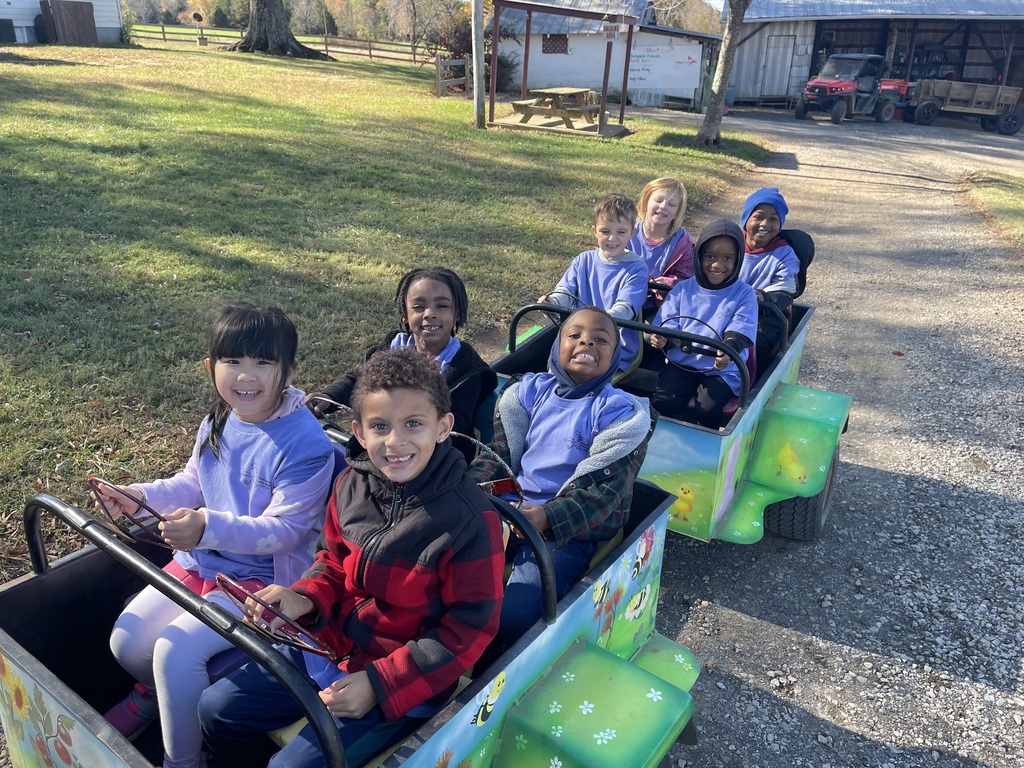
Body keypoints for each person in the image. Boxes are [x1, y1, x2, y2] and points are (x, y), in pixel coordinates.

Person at [198, 347, 505, 768]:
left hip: (402, 679)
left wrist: (381, 684)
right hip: (328, 643)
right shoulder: (349, 484)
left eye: (413, 424)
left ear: (443, 427)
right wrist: (303, 597)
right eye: (380, 426)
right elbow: (331, 559)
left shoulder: (471, 521)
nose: (395, 442)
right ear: (359, 432)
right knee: (216, 708)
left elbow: (469, 630)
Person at [96, 302, 335, 768]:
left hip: (263, 583)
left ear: (288, 371)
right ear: (211, 366)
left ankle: (183, 760)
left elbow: (287, 530)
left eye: (263, 362)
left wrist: (206, 527)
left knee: (174, 653)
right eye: (233, 360)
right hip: (203, 561)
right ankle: (157, 699)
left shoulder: (306, 444)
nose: (246, 375)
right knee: (127, 640)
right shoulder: (220, 418)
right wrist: (138, 496)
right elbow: (193, 481)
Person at [470, 307, 653, 651]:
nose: (587, 342)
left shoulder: (619, 413)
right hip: (509, 507)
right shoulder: (528, 393)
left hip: (566, 528)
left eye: (600, 340)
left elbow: (605, 493)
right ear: (558, 346)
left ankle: (493, 672)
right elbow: (496, 456)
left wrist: (546, 517)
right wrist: (470, 492)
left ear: (615, 355)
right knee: (438, 572)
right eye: (575, 335)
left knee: (517, 615)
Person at [307, 266, 496, 462]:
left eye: (442, 306)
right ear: (404, 314)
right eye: (418, 307)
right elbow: (358, 379)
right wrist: (329, 397)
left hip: (435, 461)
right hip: (384, 445)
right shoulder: (392, 347)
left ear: (457, 313)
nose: (430, 313)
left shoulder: (468, 370)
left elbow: (453, 428)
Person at [649, 219, 758, 430]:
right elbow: (667, 323)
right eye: (710, 257)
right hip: (683, 363)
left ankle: (707, 444)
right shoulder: (682, 289)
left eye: (727, 258)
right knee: (664, 401)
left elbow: (741, 327)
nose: (717, 265)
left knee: (707, 408)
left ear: (738, 261)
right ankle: (663, 440)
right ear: (699, 256)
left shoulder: (744, 294)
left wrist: (729, 349)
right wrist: (662, 338)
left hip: (722, 370)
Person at [540, 194, 648, 374]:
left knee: (582, 374)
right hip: (577, 340)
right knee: (559, 371)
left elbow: (625, 309)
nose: (612, 238)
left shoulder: (637, 269)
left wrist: (594, 325)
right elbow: (565, 292)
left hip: (612, 345)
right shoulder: (583, 261)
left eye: (621, 232)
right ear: (595, 231)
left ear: (632, 232)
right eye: (605, 231)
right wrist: (552, 302)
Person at [738, 187, 800, 377]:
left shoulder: (785, 254)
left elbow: (785, 290)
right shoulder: (731, 243)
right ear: (746, 219)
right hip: (726, 306)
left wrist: (763, 296)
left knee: (753, 343)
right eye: (758, 217)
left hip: (763, 315)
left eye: (773, 219)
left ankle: (750, 382)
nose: (765, 224)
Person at [628, 177, 696, 312]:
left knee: (658, 325)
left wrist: (668, 283)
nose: (663, 206)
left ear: (677, 212)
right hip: (625, 297)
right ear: (645, 202)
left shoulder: (683, 244)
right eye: (658, 200)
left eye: (671, 204)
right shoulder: (627, 234)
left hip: (659, 305)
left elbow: (687, 278)